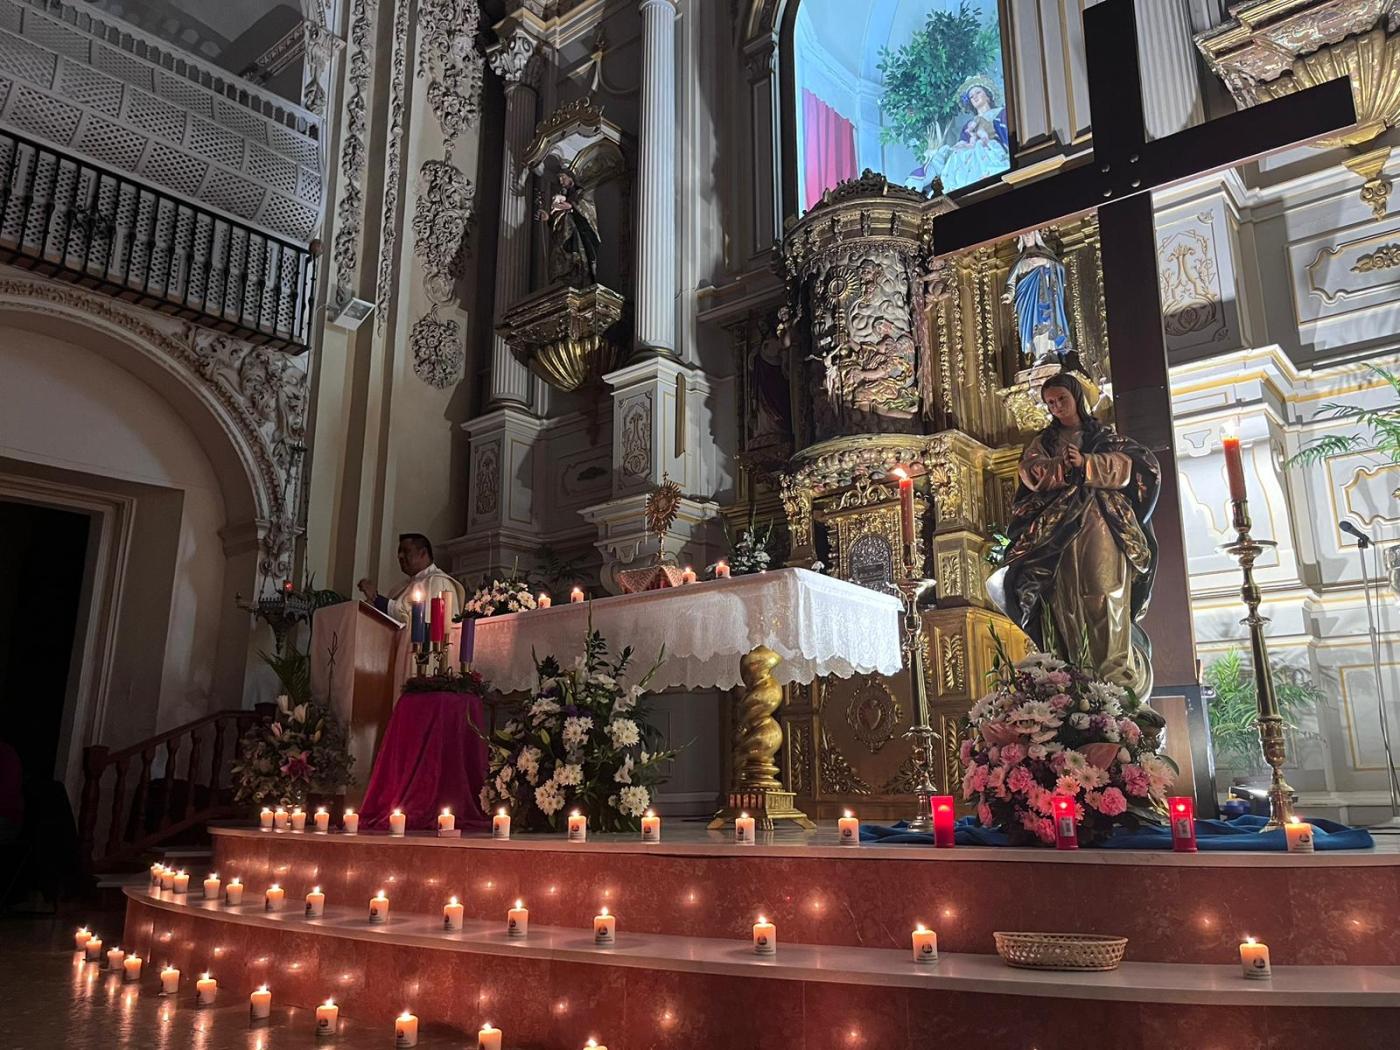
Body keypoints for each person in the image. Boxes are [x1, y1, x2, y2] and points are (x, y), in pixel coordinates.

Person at [987, 373, 1160, 697]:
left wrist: (1087, 464)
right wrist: (1060, 468)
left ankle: (1113, 684)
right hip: (1057, 533)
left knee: (1104, 594)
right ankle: (1071, 681)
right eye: (1050, 403)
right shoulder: (1044, 442)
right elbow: (1031, 473)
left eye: (1061, 400)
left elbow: (1132, 468)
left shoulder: (1105, 437)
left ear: (1077, 398)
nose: (1056, 407)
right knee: (1063, 600)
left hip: (1101, 522)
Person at [357, 534, 467, 627]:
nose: (400, 556)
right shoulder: (400, 587)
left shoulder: (439, 583)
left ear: (423, 553)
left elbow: (419, 622)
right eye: (399, 551)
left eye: (406, 551)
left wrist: (376, 598)